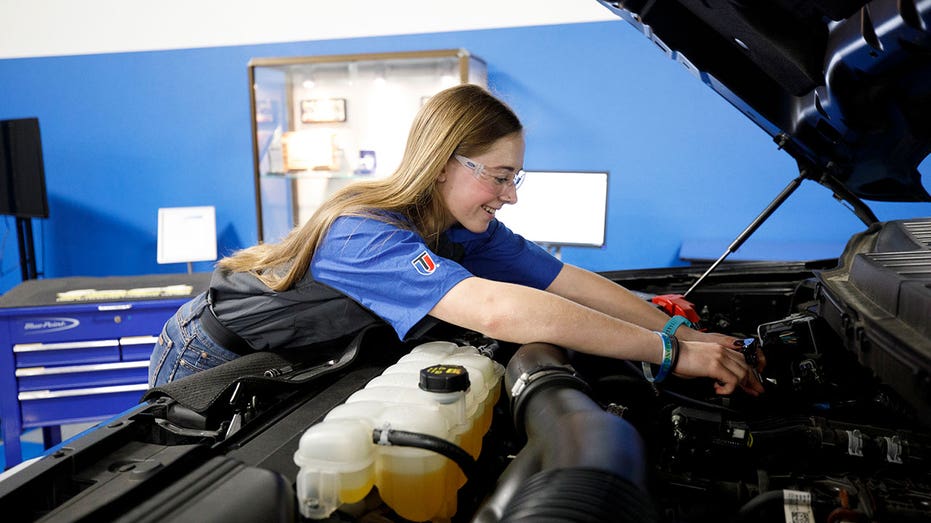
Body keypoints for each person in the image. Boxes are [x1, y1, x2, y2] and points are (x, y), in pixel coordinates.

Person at [149, 84, 764, 397]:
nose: (510, 195)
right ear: (445, 164)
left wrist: (683, 332)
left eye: (514, 179)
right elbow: (499, 309)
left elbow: (566, 282)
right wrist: (670, 355)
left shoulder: (465, 230)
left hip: (295, 354)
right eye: (500, 178)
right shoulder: (362, 234)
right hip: (210, 357)